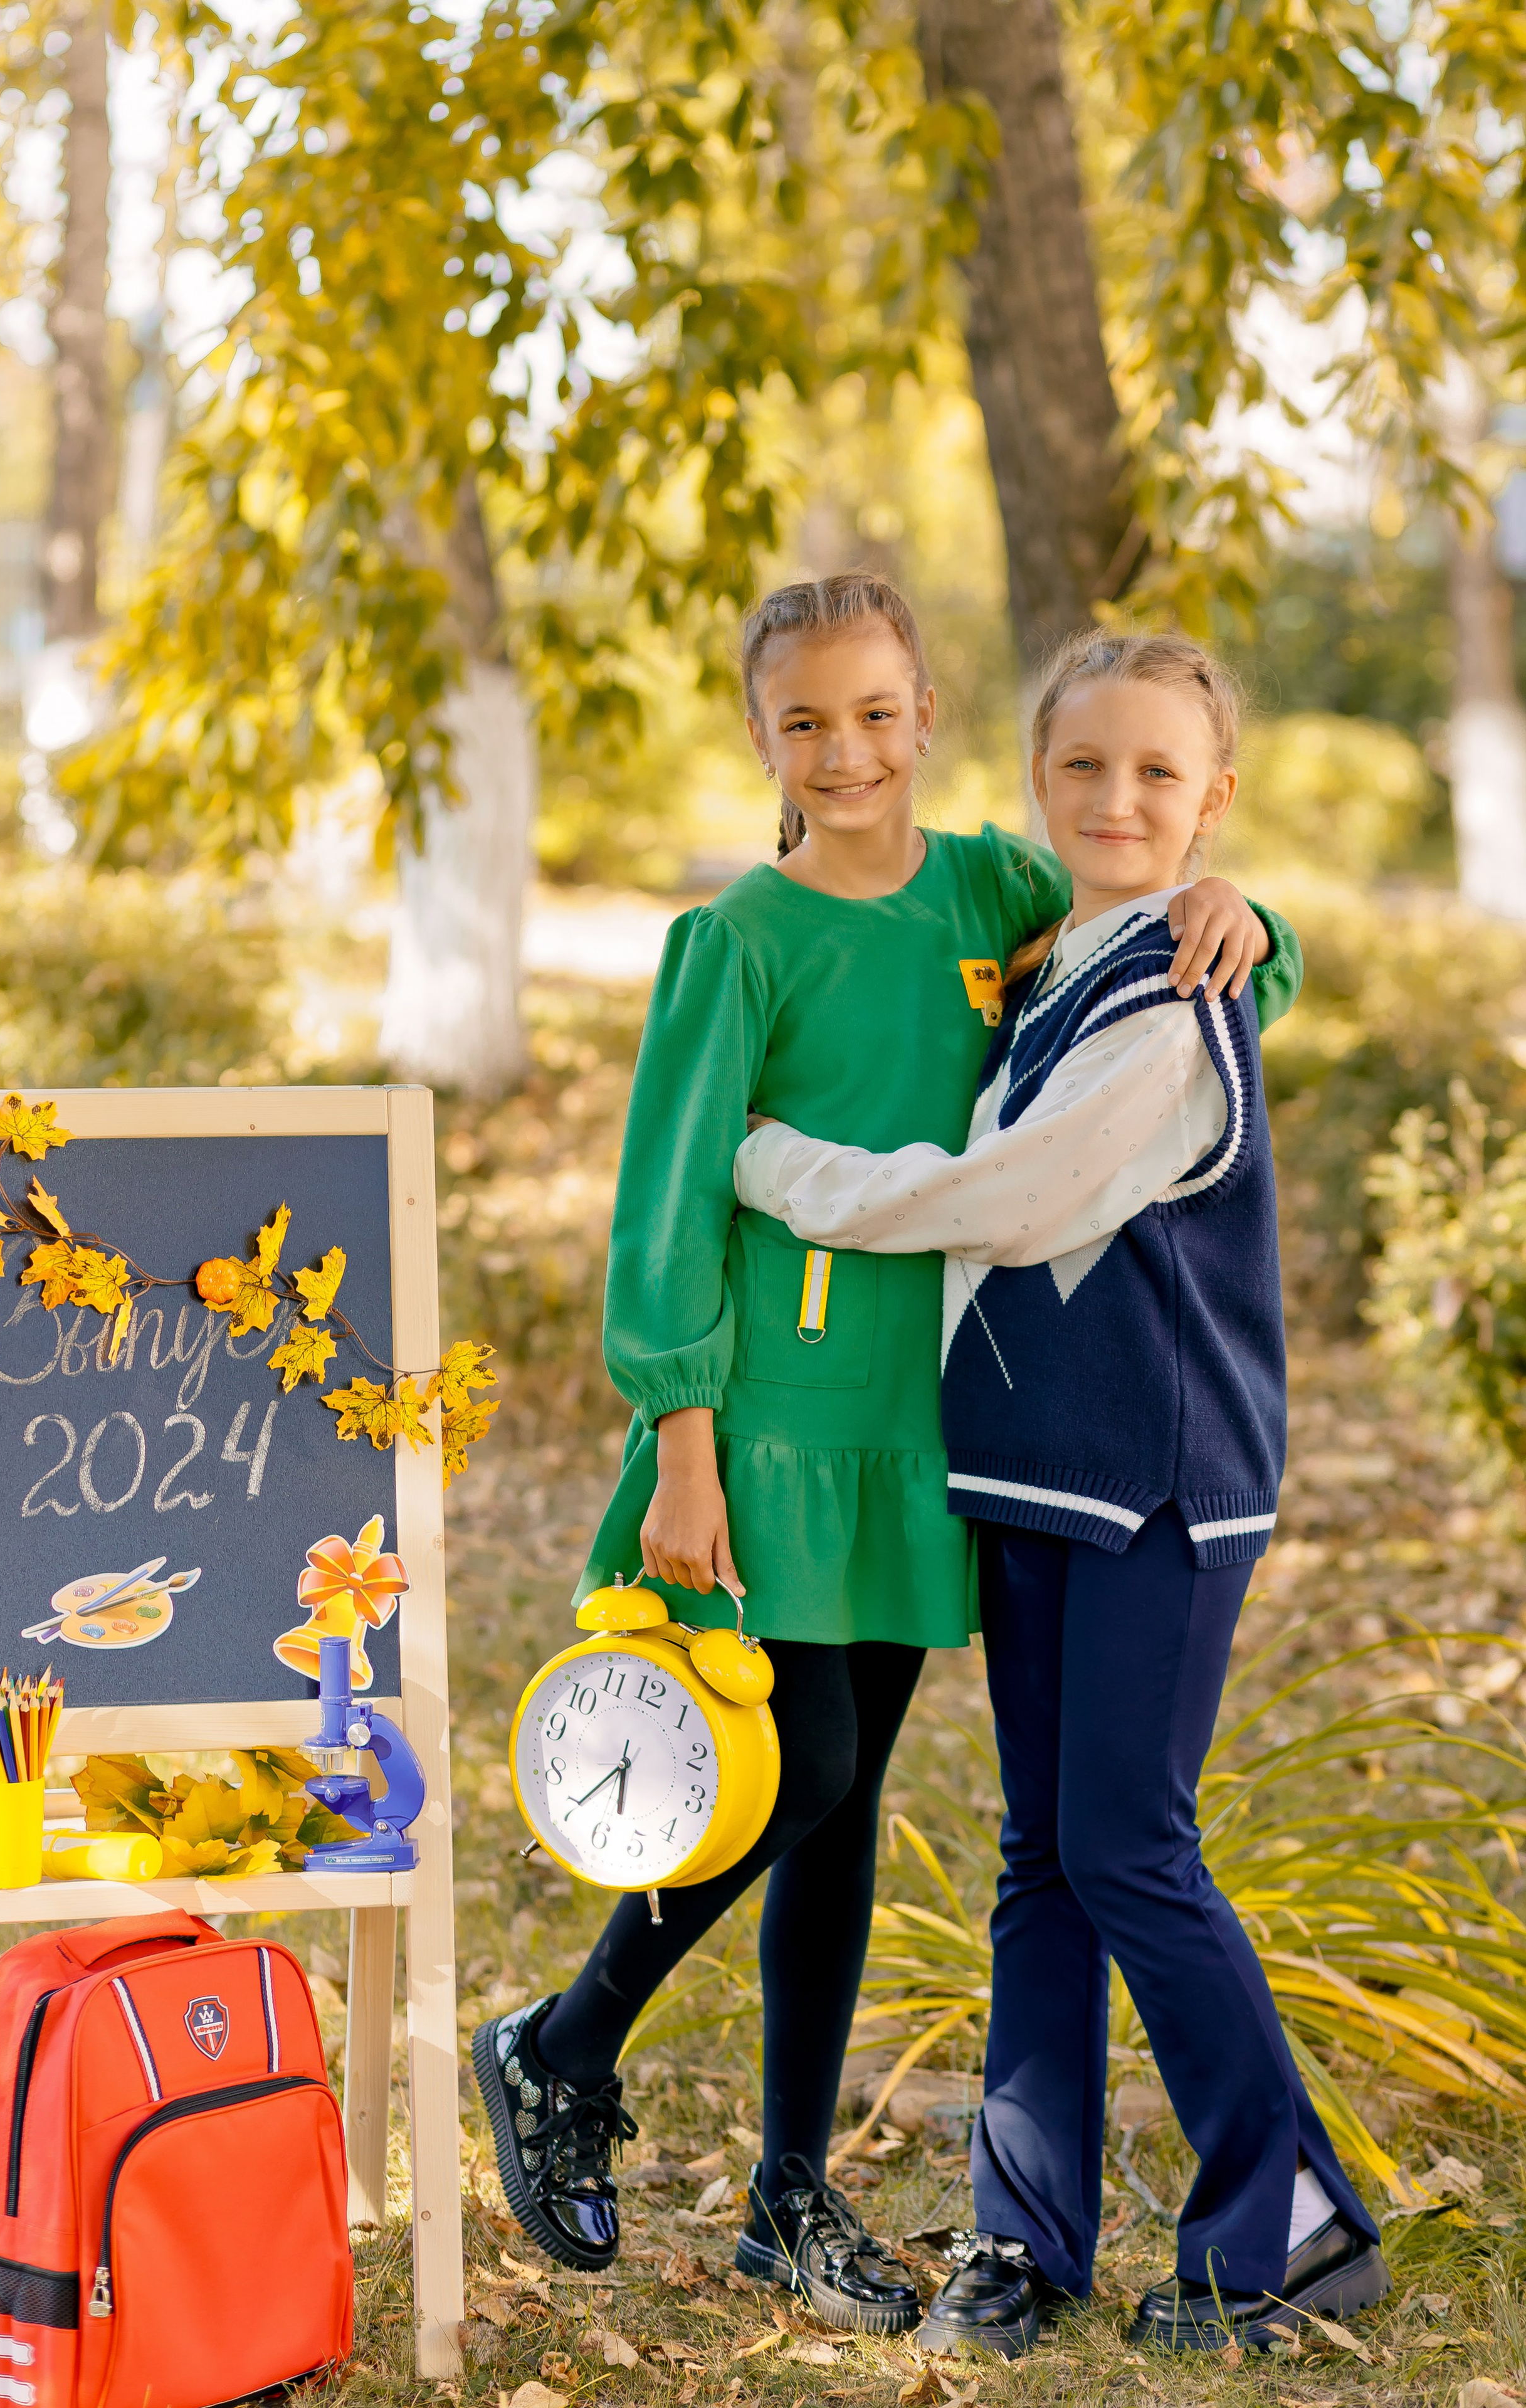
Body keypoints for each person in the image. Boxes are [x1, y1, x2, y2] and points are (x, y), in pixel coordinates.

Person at [475, 581, 1303, 2336]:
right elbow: (664, 1206)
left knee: (841, 1816)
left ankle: (792, 2187)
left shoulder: (987, 889)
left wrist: (1257, 919)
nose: (844, 752)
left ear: (929, 717)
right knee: (807, 1766)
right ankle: (563, 2041)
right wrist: (681, 1439)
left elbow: (1162, 935)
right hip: (767, 1422)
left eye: (875, 715)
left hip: (923, 1435)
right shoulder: (740, 940)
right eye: (804, 722)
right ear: (763, 736)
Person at [732, 628, 1389, 2357]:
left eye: (1159, 774)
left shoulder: (1177, 997)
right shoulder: (1054, 963)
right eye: (1084, 767)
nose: (1117, 797)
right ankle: (1026, 2243)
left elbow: (1016, 1197)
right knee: (1043, 1859)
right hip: (1033, 1477)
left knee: (1127, 1846)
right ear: (1037, 780)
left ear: (1212, 797)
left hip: (1164, 1489)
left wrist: (779, 1170)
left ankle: (1291, 2222)